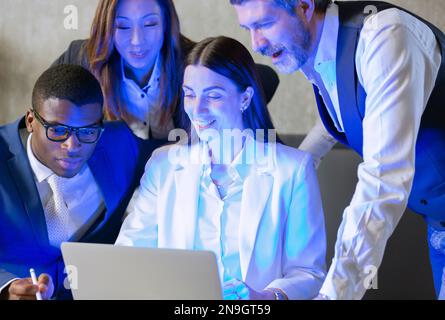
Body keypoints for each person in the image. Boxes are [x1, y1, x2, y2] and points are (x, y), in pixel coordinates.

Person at [231, 0, 445, 299]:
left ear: (304, 6)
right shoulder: (322, 54)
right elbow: (348, 111)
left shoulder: (385, 36)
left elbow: (385, 177)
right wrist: (294, 168)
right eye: (248, 29)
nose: (257, 44)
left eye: (265, 24)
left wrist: (334, 294)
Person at [115, 36, 326, 300]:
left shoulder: (292, 170)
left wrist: (265, 298)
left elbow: (308, 272)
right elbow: (130, 255)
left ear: (245, 98)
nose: (198, 109)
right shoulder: (164, 166)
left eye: (213, 96)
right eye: (190, 95)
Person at [0, 64, 157, 300]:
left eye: (86, 132)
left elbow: (172, 159)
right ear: (31, 120)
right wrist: (6, 286)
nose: (72, 146)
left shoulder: (119, 144)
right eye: (57, 130)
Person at [53, 0, 279, 140]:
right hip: (116, 182)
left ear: (166, 23)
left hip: (179, 176)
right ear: (107, 28)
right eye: (122, 26)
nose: (136, 41)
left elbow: (265, 77)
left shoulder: (188, 61)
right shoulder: (82, 57)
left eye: (150, 24)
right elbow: (44, 111)